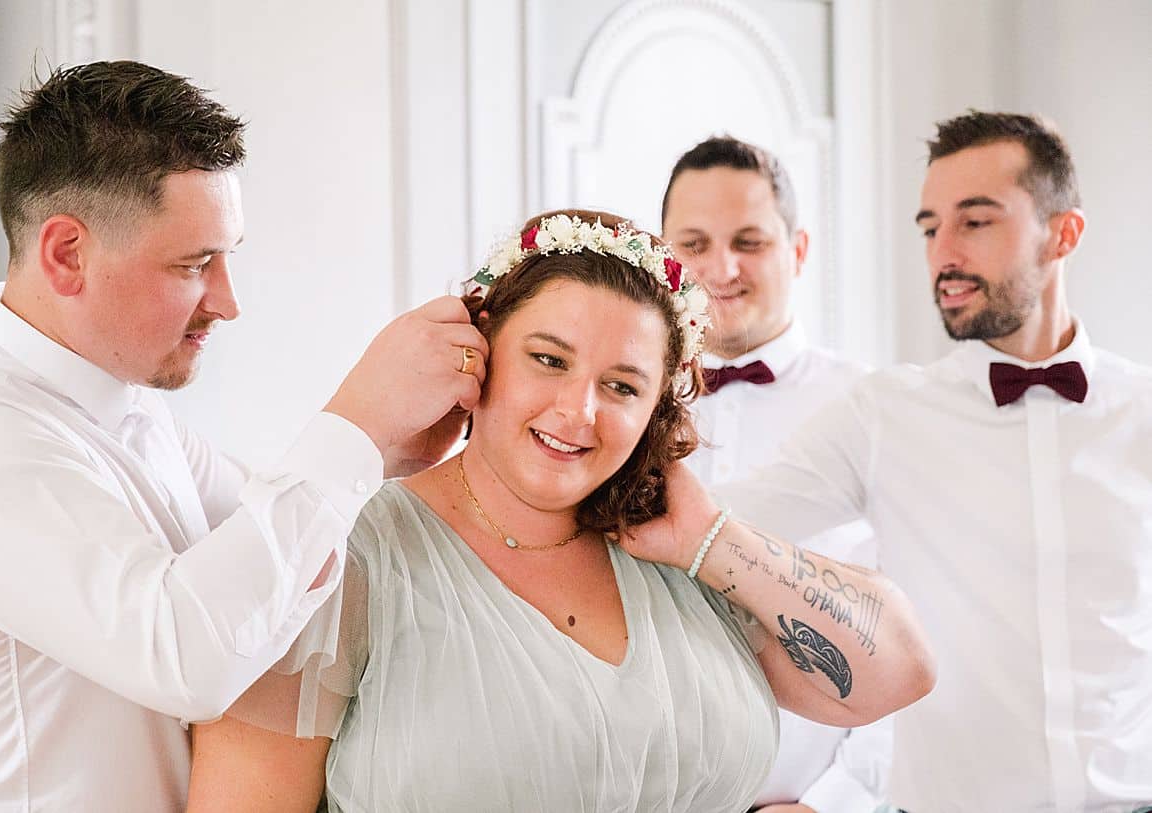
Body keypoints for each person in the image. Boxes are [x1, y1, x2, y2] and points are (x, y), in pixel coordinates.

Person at [184, 210, 936, 812]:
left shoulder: (683, 556)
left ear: (654, 412)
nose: (578, 411)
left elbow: (898, 669)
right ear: (480, 352)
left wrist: (715, 540)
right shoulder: (345, 553)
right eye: (549, 359)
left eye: (622, 385)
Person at [0, 61, 488, 812]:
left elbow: (263, 556)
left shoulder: (120, 401)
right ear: (68, 254)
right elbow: (185, 653)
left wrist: (385, 454)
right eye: (195, 264)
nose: (227, 301)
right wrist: (357, 423)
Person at [708, 112, 1152, 811]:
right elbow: (718, 520)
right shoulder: (881, 415)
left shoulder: (1143, 412)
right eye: (928, 227)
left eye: (974, 222)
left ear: (1063, 233)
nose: (942, 252)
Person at [662, 136, 889, 813]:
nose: (721, 267)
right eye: (694, 243)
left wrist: (838, 800)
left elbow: (920, 626)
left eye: (750, 241)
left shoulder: (872, 409)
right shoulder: (618, 406)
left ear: (798, 249)